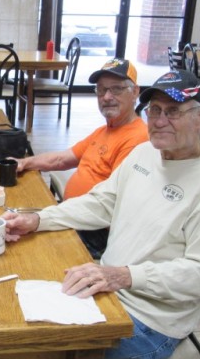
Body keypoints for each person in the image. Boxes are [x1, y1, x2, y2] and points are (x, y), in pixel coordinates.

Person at [2, 70, 200, 359]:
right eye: (156, 110)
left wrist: (123, 276)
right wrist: (38, 218)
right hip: (109, 286)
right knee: (14, 312)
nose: (160, 121)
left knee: (22, 347)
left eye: (174, 112)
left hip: (153, 316)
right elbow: (102, 203)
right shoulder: (144, 153)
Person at [13, 58, 149, 257]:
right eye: (101, 90)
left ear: (135, 92)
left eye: (116, 89)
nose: (107, 96)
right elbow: (62, 159)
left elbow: (111, 205)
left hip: (95, 229)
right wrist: (25, 162)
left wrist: (45, 219)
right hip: (73, 214)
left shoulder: (138, 139)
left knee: (23, 247)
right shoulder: (106, 130)